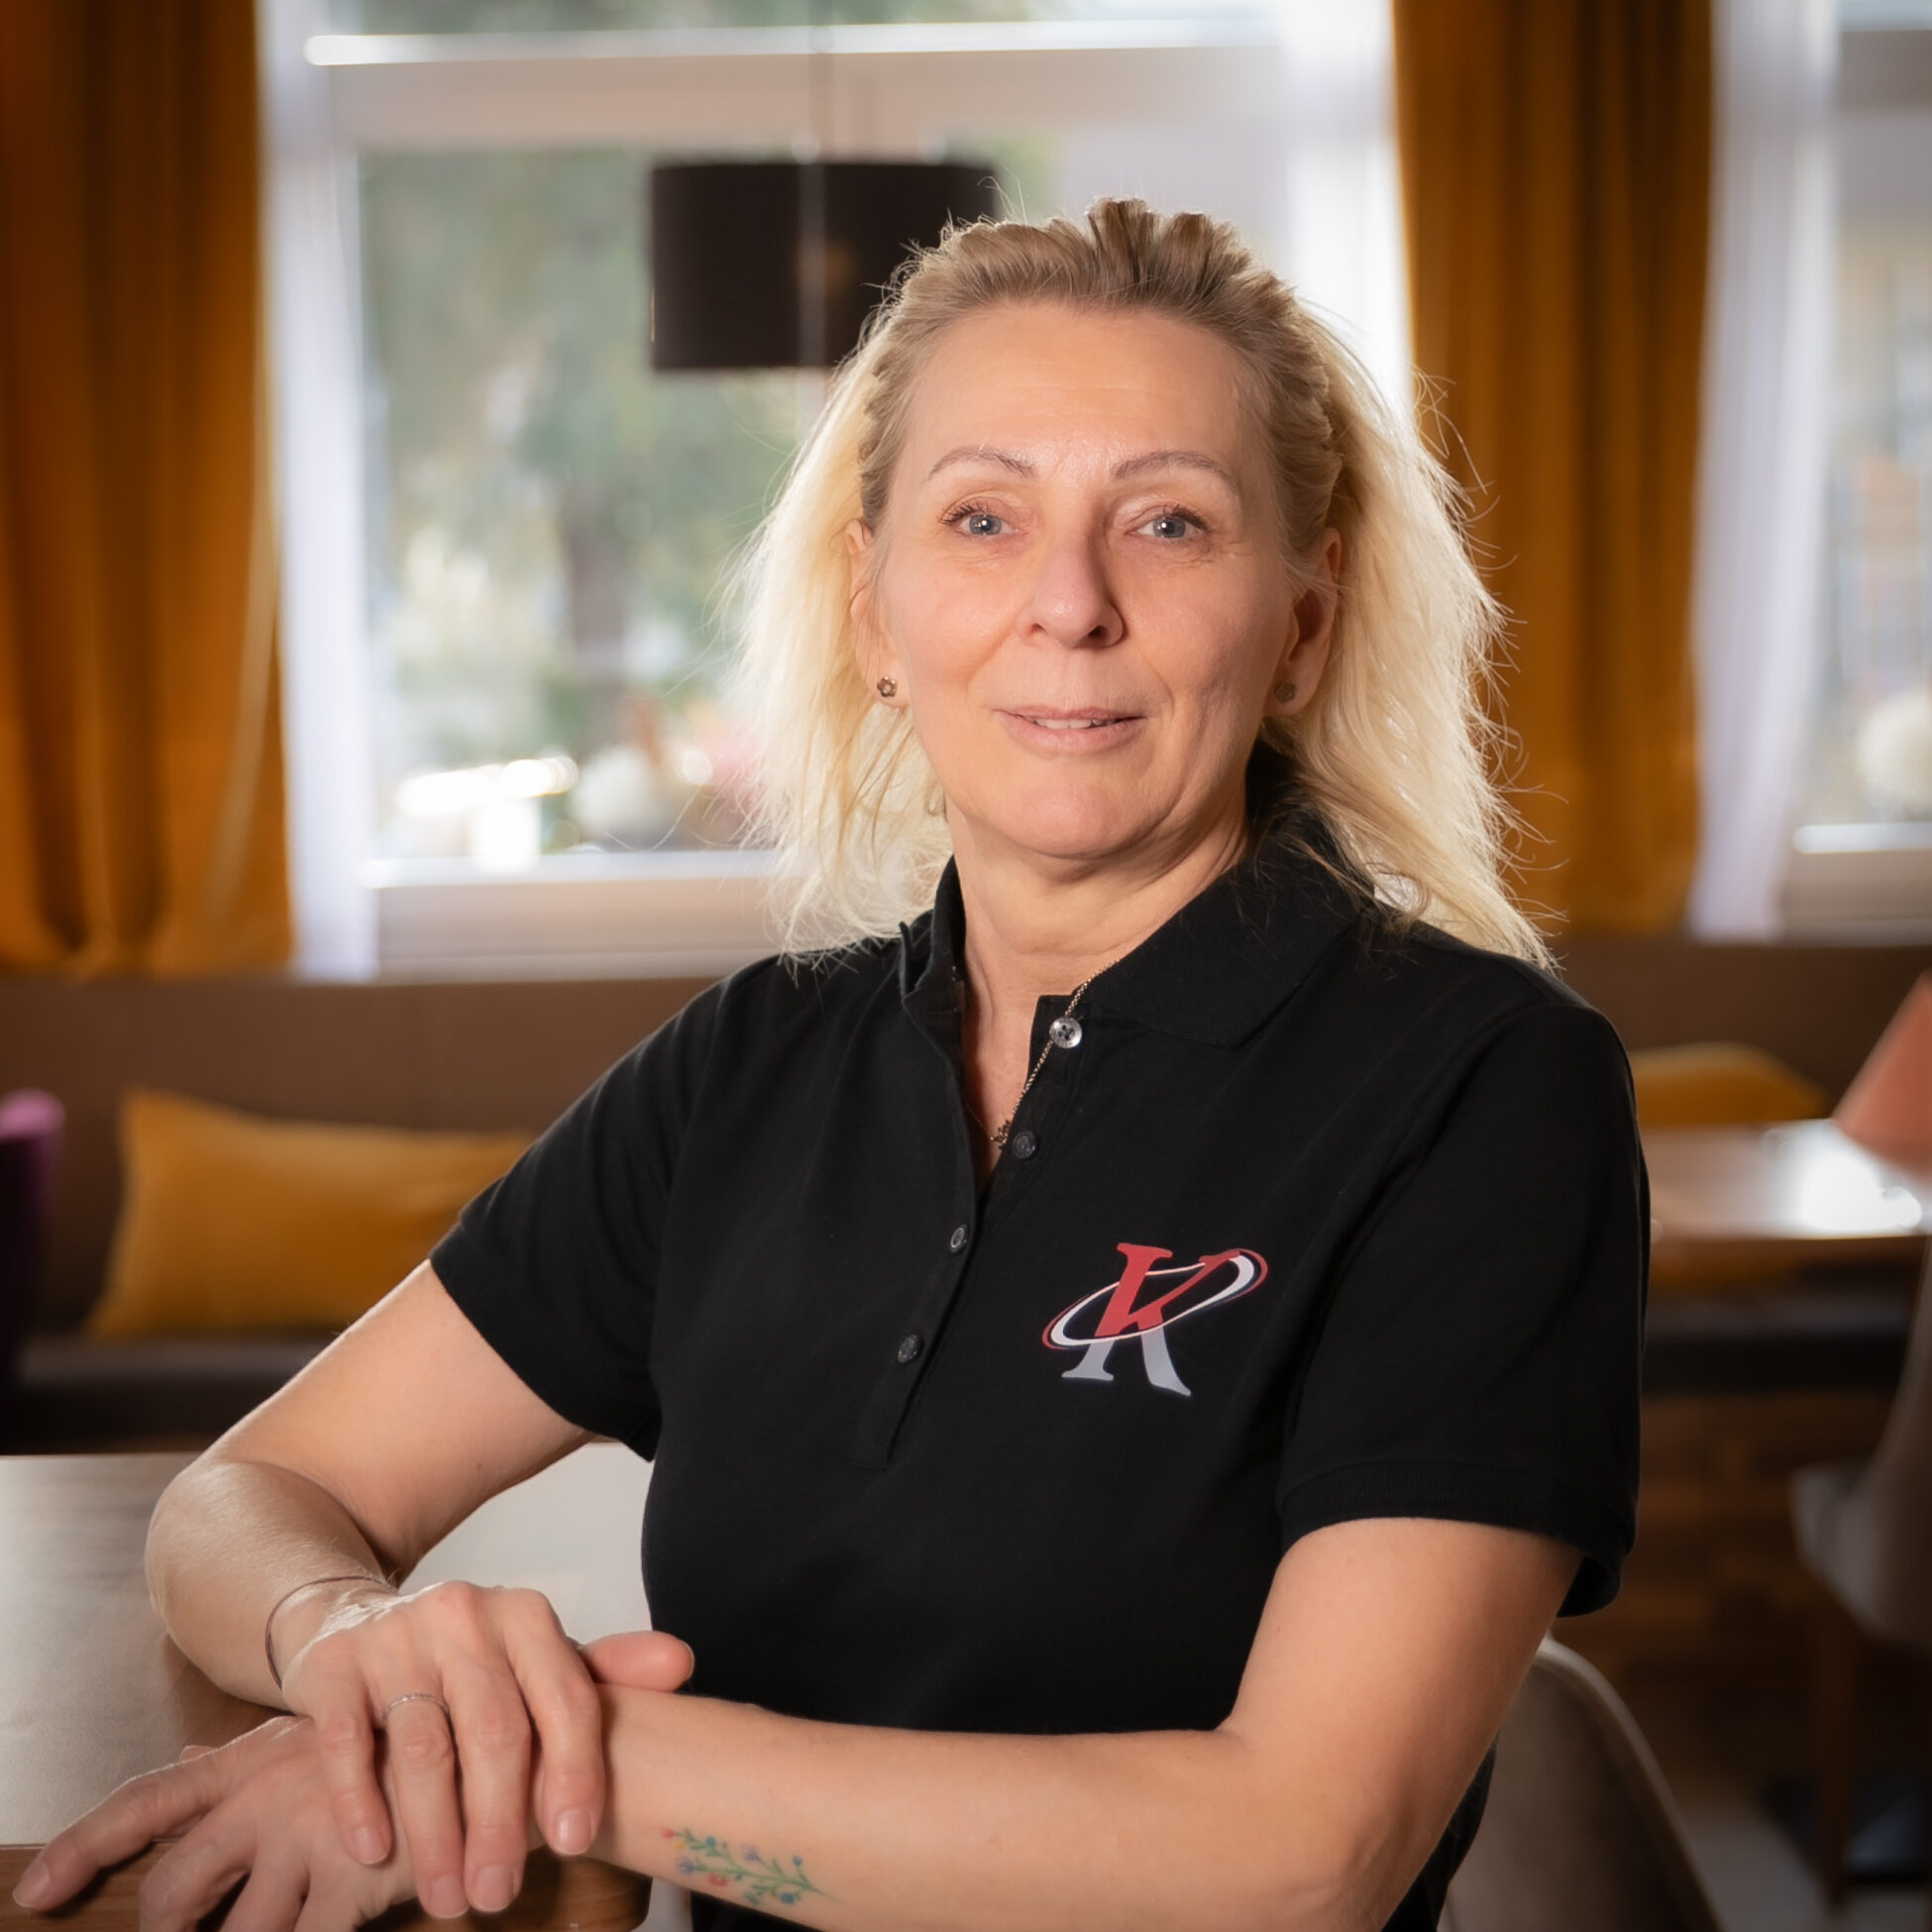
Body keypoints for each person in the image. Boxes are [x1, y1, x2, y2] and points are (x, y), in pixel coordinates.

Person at [14, 198, 1644, 1932]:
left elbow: (1299, 1859)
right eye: (982, 518)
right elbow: (247, 1493)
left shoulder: (1487, 1093)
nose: (1068, 604)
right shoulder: (747, 1067)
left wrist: (548, 1758)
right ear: (874, 612)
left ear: (1301, 622)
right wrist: (363, 1654)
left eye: (1167, 520)